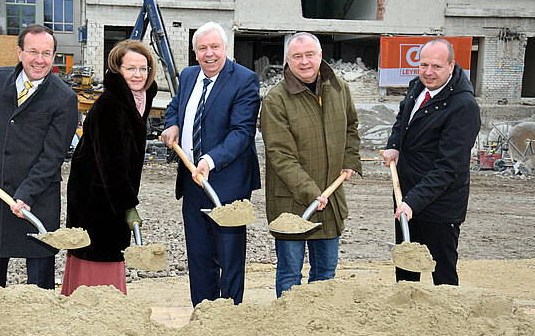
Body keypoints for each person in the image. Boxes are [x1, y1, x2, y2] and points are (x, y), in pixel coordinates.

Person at [0, 24, 78, 293]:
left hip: (39, 198)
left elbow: (53, 156)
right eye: (33, 51)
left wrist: (27, 194)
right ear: (19, 52)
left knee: (39, 284)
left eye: (46, 53)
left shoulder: (64, 98)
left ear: (54, 56)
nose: (39, 60)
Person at [160, 22, 260, 307]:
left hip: (227, 182)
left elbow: (242, 132)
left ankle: (227, 314)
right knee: (199, 252)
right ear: (195, 53)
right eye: (203, 48)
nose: (209, 54)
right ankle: (203, 311)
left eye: (215, 47)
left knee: (228, 254)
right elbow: (174, 106)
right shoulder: (190, 75)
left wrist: (209, 159)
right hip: (193, 180)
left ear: (225, 49)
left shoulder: (244, 79)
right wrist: (172, 125)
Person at [260, 32, 362, 298]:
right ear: (287, 60)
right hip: (293, 202)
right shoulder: (276, 100)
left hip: (330, 199)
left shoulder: (339, 87)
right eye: (297, 56)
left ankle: (319, 327)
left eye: (309, 55)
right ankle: (289, 328)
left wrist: (350, 159)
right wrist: (309, 191)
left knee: (325, 275)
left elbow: (351, 126)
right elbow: (280, 154)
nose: (304, 62)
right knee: (291, 274)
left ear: (320, 56)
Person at [61, 39, 158, 296]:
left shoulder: (139, 99)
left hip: (111, 194)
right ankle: (91, 310)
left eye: (143, 68)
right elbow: (110, 161)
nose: (138, 74)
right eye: (130, 68)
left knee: (110, 251)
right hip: (95, 197)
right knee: (98, 253)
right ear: (118, 70)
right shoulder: (109, 104)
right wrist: (128, 205)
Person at [383, 38, 481, 286]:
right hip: (407, 196)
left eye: (436, 66)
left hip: (441, 205)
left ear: (451, 66)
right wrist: (394, 144)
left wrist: (412, 203)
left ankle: (447, 321)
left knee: (443, 272)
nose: (428, 72)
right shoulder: (418, 86)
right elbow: (402, 117)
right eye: (424, 64)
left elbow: (449, 167)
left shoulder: (463, 107)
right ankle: (407, 316)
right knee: (406, 267)